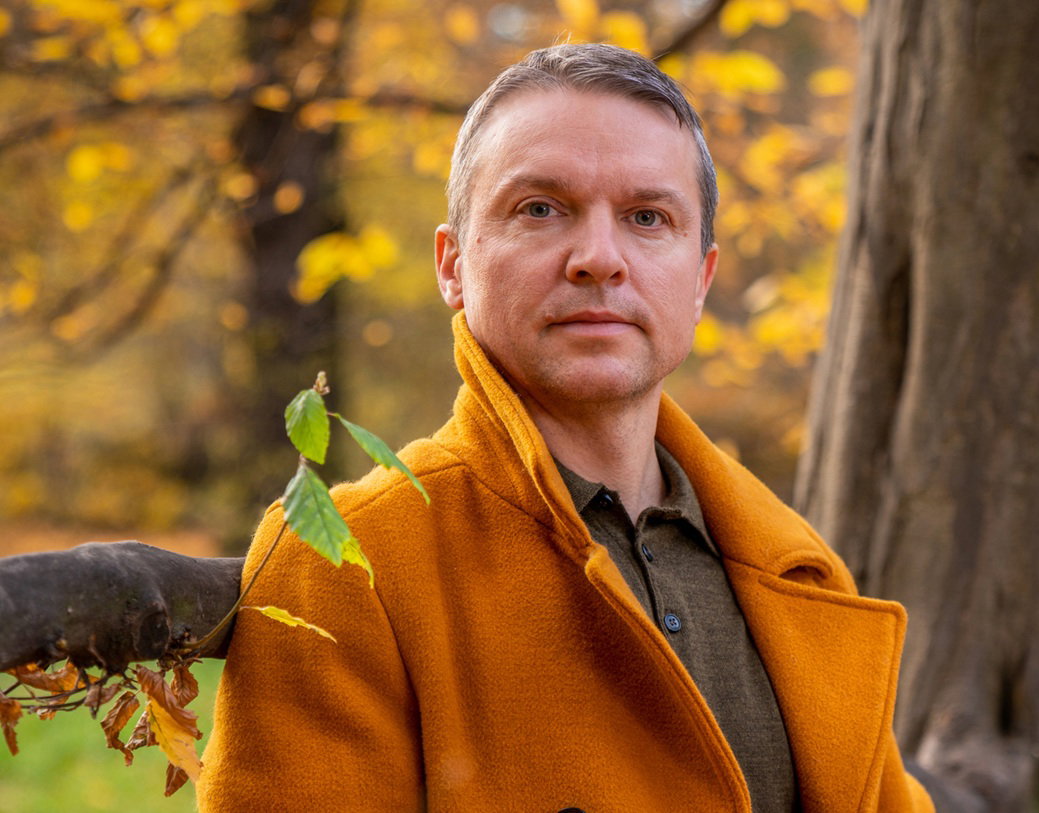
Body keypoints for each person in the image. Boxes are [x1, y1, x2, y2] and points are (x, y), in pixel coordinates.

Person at [198, 44, 933, 812]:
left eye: (648, 217)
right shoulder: (350, 558)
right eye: (540, 209)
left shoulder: (794, 567)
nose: (599, 258)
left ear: (700, 279)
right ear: (453, 264)